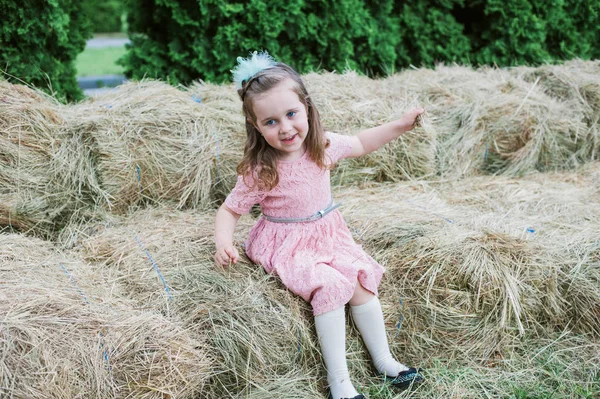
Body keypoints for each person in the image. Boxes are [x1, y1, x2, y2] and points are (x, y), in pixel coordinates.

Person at [214, 51, 424, 399]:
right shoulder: (261, 169)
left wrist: (400, 126)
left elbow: (361, 142)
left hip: (327, 234)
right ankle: (339, 381)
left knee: (359, 279)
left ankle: (385, 360)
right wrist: (223, 241)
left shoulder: (321, 146)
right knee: (329, 287)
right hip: (287, 241)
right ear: (255, 126)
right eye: (270, 122)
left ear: (307, 108)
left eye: (291, 114)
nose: (285, 128)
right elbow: (230, 210)